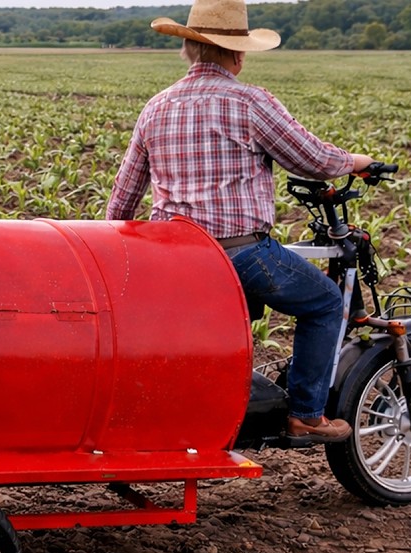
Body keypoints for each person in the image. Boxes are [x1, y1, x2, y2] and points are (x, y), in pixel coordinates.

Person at [105, 0, 376, 444]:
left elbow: (124, 196)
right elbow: (313, 160)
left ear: (191, 50)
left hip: (173, 255)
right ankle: (307, 413)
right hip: (238, 251)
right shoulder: (249, 101)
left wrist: (115, 250)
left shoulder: (156, 107)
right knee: (326, 303)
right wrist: (357, 161)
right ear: (238, 54)